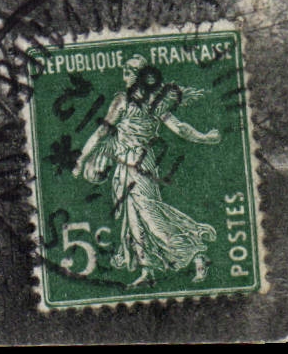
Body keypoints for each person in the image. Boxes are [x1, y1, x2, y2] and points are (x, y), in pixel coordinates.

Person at [73, 55, 220, 286]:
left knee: (151, 216)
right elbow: (102, 132)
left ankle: (196, 252)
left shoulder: (155, 103)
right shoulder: (121, 101)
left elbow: (179, 128)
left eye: (132, 71)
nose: (126, 75)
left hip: (142, 164)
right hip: (124, 165)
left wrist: (205, 138)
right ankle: (147, 269)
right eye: (125, 70)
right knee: (134, 221)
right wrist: (82, 159)